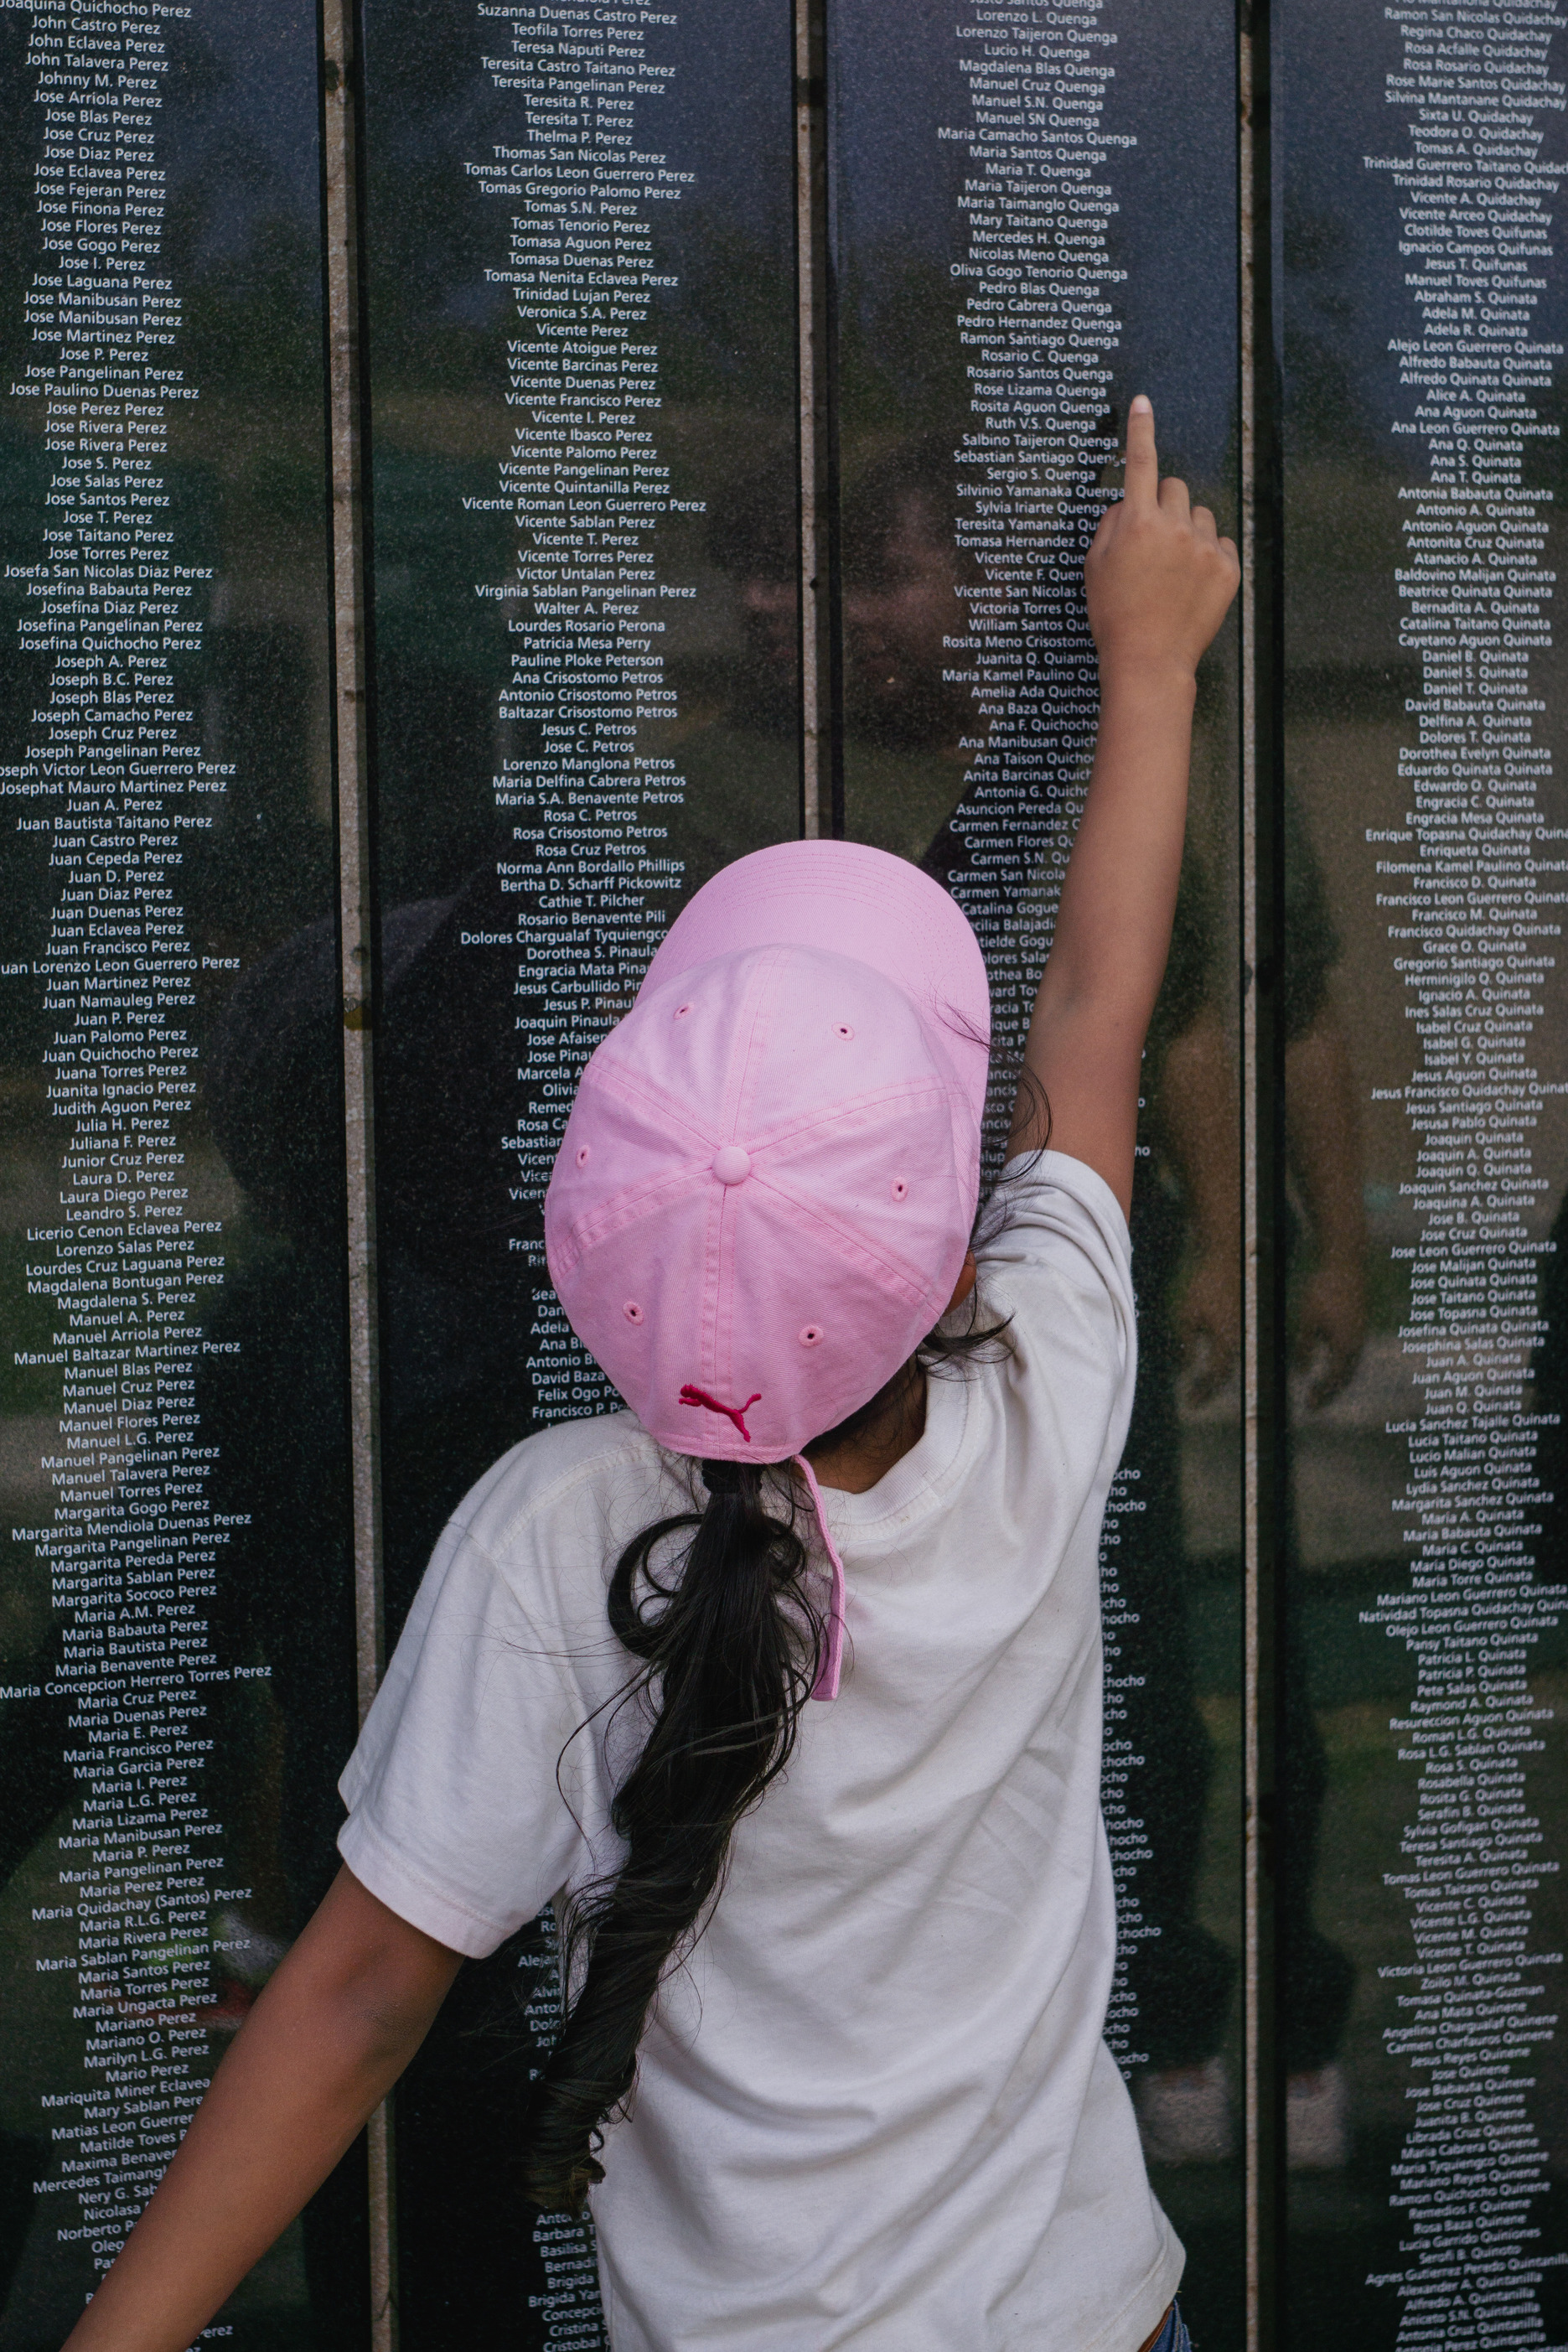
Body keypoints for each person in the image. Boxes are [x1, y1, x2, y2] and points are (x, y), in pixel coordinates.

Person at [55, 398, 1238, 2352]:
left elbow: (356, 1997)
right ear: (947, 1217)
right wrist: (1150, 668)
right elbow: (1097, 1013)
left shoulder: (560, 1534)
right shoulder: (1040, 1395)